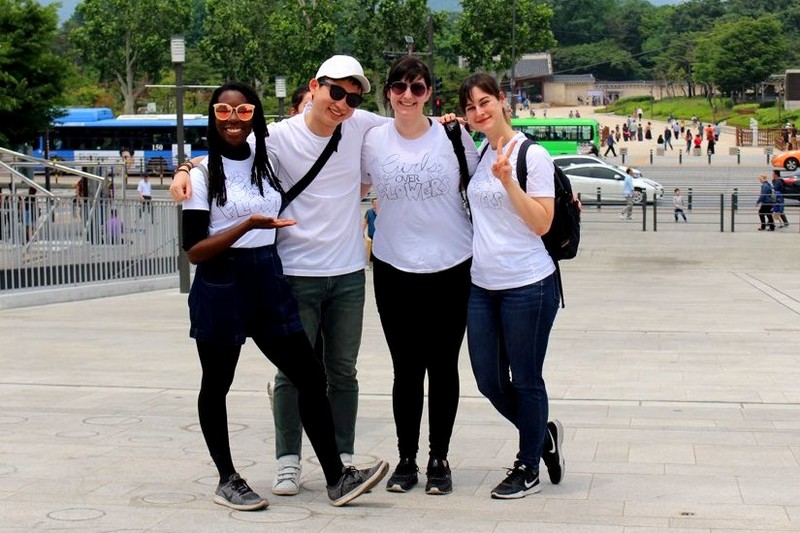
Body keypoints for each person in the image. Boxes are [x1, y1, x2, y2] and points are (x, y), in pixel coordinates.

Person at [171, 55, 391, 498]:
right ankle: (227, 479)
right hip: (221, 284)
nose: (233, 120)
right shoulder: (201, 175)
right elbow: (193, 250)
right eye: (223, 112)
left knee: (310, 376)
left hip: (269, 281)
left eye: (244, 111)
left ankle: (335, 476)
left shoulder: (262, 157)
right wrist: (241, 221)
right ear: (212, 116)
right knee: (217, 385)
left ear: (256, 117)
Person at [361, 56, 478, 495]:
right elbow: (344, 185)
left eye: (417, 87)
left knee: (443, 366)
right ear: (387, 91)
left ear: (430, 93)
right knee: (405, 369)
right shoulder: (372, 140)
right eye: (398, 87)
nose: (406, 95)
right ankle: (407, 459)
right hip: (394, 268)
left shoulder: (453, 134)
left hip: (452, 266)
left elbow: (485, 181)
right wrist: (191, 167)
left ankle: (439, 458)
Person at [457, 73, 564, 500]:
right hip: (482, 285)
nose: (479, 112)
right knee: (487, 379)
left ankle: (527, 466)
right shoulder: (480, 151)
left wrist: (508, 182)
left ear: (503, 101)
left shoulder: (532, 155)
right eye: (470, 107)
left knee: (525, 379)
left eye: (485, 102)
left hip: (528, 284)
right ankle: (541, 435)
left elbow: (541, 222)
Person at [362, 197, 378, 267]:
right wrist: (361, 231)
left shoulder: (382, 211)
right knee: (371, 249)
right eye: (374, 203)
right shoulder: (369, 212)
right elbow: (365, 222)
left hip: (379, 235)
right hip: (371, 234)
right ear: (372, 204)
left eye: (377, 203)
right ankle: (370, 262)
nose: (375, 204)